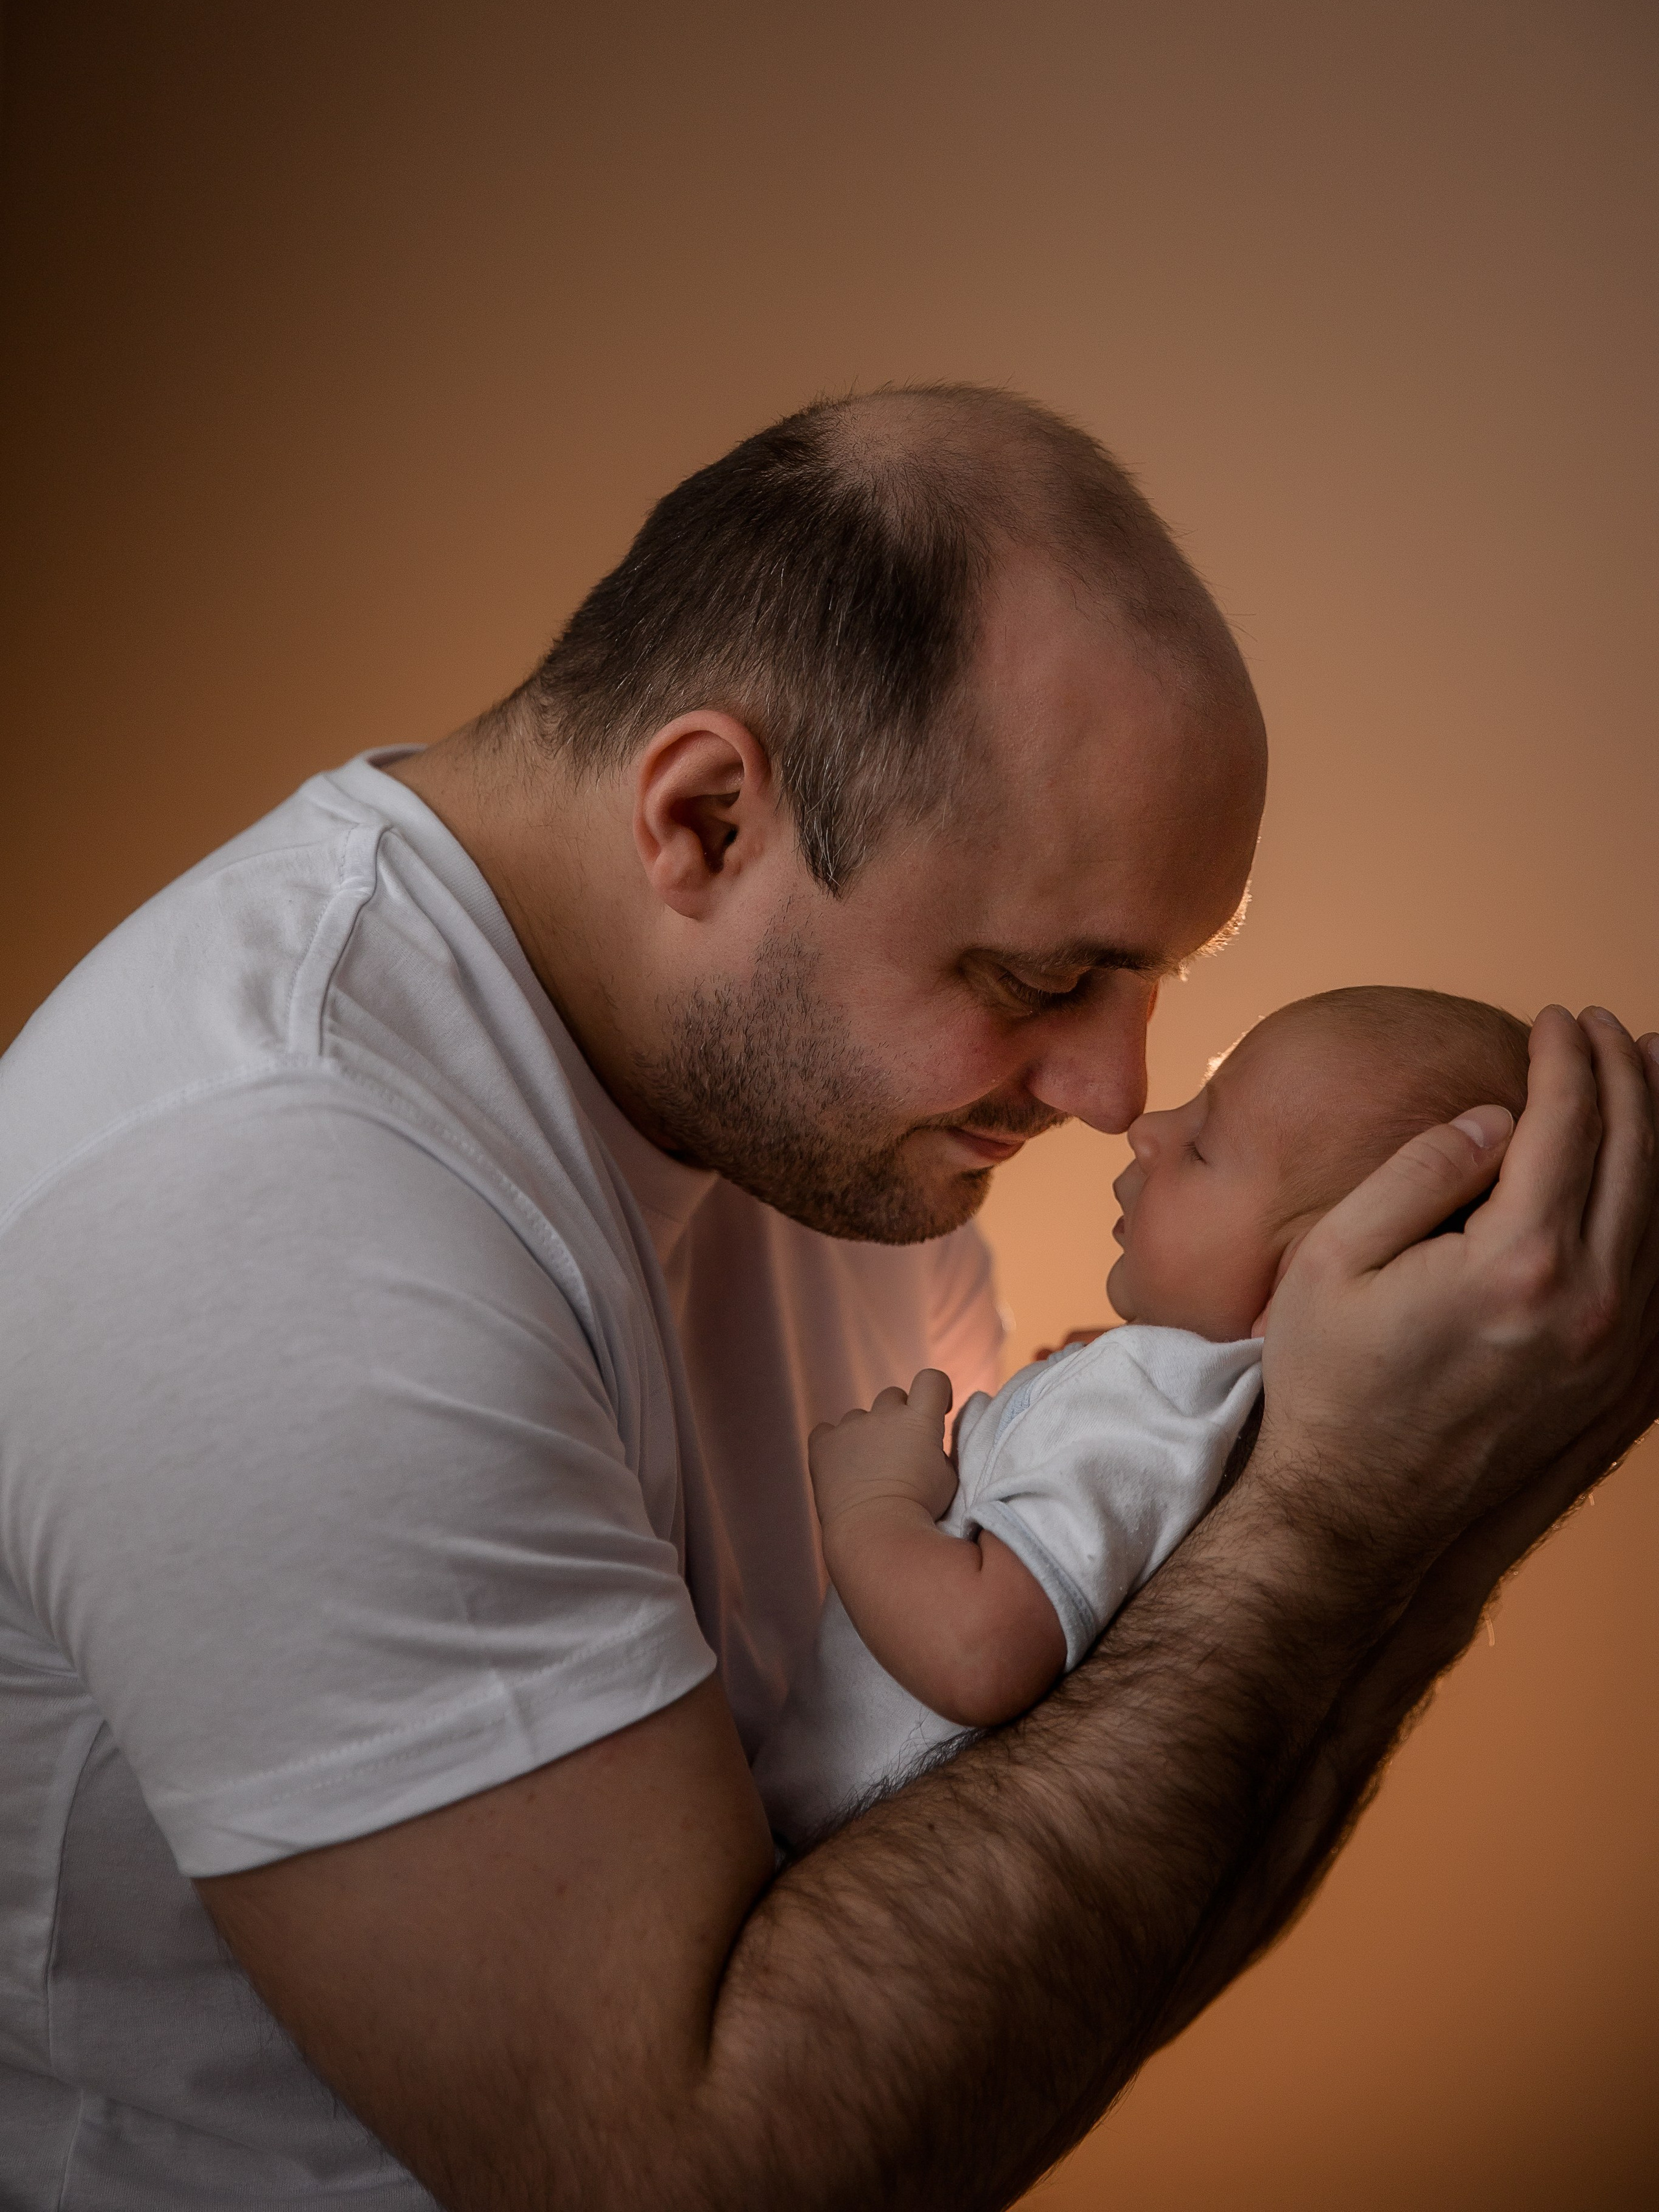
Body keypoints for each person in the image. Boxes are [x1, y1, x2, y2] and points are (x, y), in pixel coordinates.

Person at [0, 386, 1654, 2212]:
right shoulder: (272, 1198)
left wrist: (1428, 1478)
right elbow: (698, 2173)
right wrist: (1365, 1520)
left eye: (1157, 986)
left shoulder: (854, 1148)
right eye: (1043, 975)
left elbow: (1022, 1920)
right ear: (707, 819)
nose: (1111, 1093)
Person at [758, 986, 1530, 1849]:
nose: (1147, 1126)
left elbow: (977, 1654)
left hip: (836, 1860)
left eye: (1202, 1147)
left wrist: (874, 1507)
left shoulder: (1145, 1396)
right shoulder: (1233, 1434)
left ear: (1308, 1288)